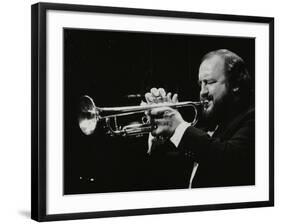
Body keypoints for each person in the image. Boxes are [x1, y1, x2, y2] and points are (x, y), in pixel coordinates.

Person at [144, 49, 255, 188]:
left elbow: (229, 159)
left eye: (209, 82)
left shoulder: (256, 118)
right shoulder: (208, 125)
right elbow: (168, 173)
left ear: (236, 84)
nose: (203, 92)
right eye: (200, 84)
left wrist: (178, 127)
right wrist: (162, 131)